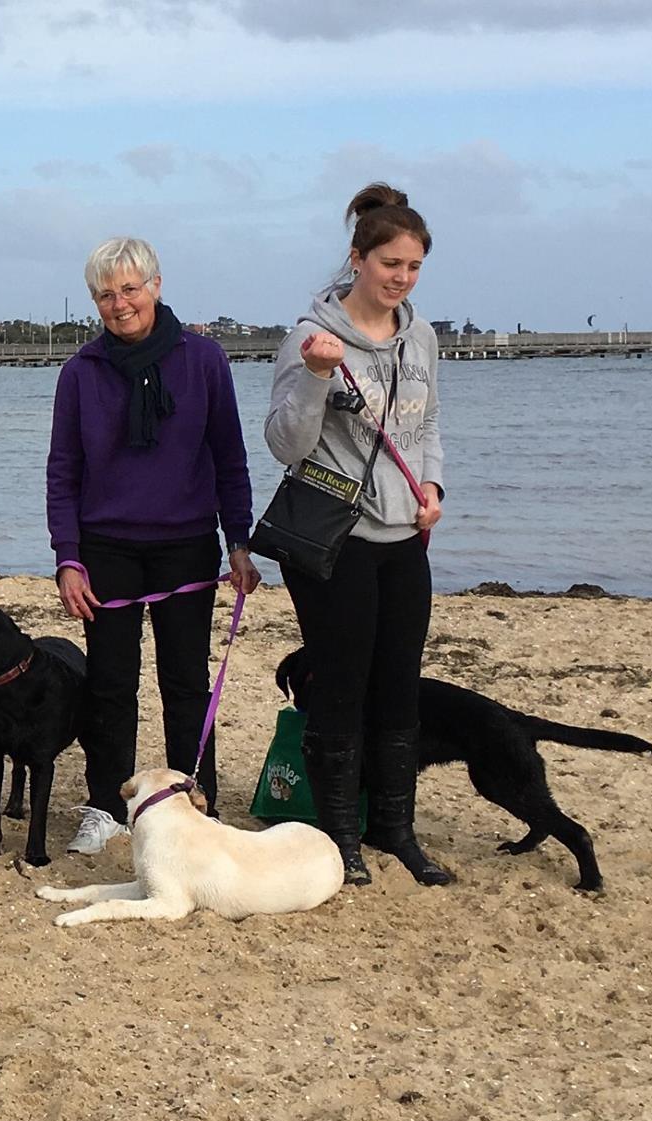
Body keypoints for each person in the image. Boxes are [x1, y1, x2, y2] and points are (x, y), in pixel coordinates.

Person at [46, 237, 259, 854]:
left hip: (187, 545)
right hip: (105, 548)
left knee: (186, 682)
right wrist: (68, 557)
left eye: (130, 290)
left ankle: (199, 800)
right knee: (111, 684)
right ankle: (106, 809)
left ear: (156, 286)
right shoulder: (80, 371)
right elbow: (64, 471)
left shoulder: (205, 360)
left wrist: (239, 541)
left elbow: (229, 457)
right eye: (106, 295)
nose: (120, 304)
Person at [264, 183, 449, 887]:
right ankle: (338, 837)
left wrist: (430, 487)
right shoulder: (312, 336)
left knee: (400, 687)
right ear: (358, 258)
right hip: (333, 544)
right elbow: (285, 442)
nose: (400, 278)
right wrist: (314, 376)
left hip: (404, 538)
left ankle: (394, 830)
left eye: (413, 267)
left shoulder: (422, 335)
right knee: (340, 686)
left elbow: (427, 425)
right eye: (389, 264)